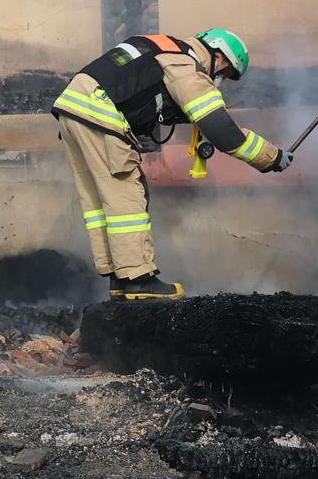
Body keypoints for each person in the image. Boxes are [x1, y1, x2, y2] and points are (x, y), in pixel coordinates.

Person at [51, 27, 290, 300]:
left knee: (100, 199)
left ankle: (119, 278)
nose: (221, 80)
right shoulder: (185, 66)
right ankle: (139, 280)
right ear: (220, 57)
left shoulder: (165, 48)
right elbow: (223, 133)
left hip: (72, 109)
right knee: (126, 196)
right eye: (225, 74)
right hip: (99, 114)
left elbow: (139, 90)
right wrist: (272, 157)